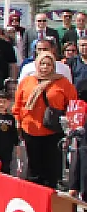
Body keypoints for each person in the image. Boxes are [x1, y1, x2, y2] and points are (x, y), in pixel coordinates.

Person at [15, 49, 74, 188]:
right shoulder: (27, 81)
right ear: (37, 65)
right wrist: (18, 121)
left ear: (53, 66)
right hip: (30, 128)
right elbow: (18, 103)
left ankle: (50, 192)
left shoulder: (62, 82)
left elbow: (71, 103)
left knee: (51, 165)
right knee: (33, 165)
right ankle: (34, 194)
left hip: (53, 130)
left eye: (48, 64)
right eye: (42, 64)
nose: (45, 67)